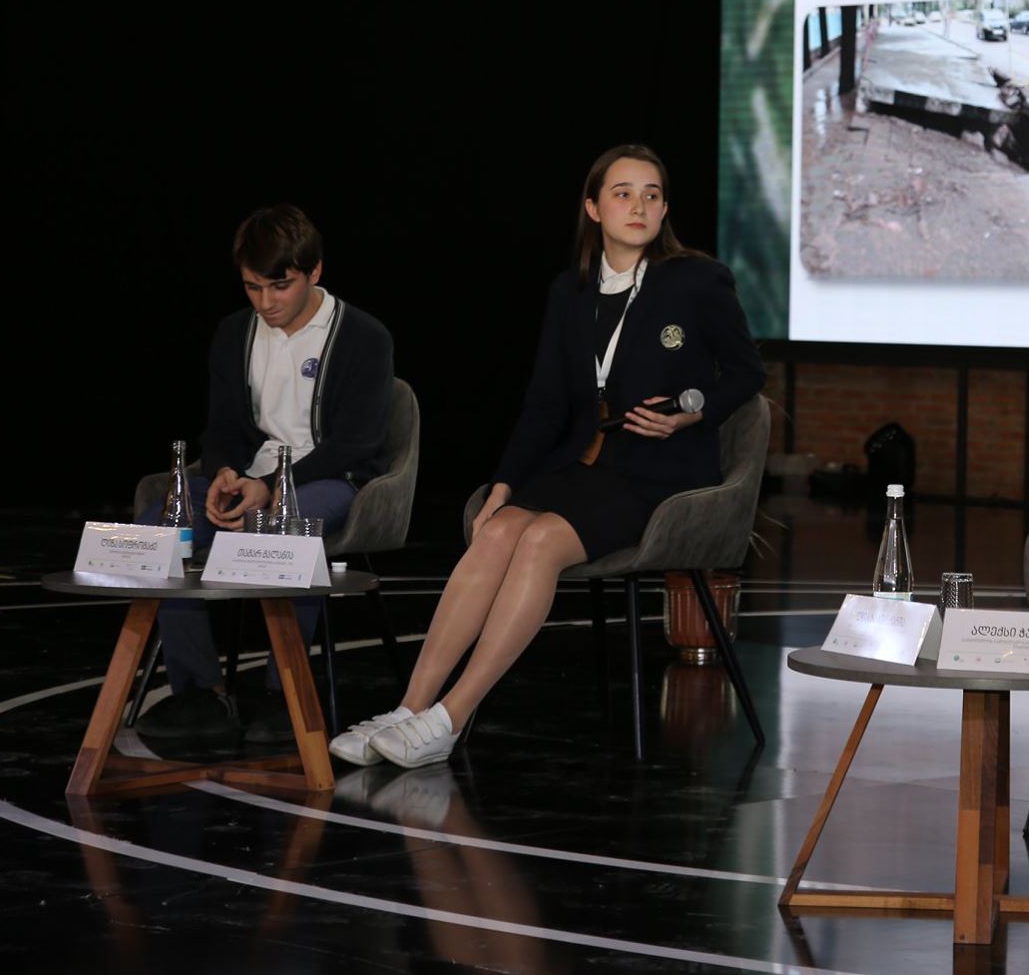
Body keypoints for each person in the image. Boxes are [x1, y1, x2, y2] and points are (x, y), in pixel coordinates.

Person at [334, 144, 765, 768]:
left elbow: (747, 372)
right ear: (593, 208)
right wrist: (506, 483)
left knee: (538, 543)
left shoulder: (698, 279)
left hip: (662, 475)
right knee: (497, 530)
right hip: (584, 467)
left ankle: (451, 718)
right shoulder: (571, 291)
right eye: (622, 193)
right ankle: (410, 707)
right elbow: (544, 403)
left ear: (665, 208)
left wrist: (692, 413)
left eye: (651, 195)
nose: (638, 206)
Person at [137, 205, 395, 745]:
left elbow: (356, 444)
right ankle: (200, 693)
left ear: (314, 271)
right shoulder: (235, 332)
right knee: (161, 526)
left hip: (330, 480)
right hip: (255, 479)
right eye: (253, 288)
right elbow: (223, 427)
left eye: (280, 286)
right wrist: (226, 475)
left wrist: (273, 488)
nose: (266, 302)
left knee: (284, 527)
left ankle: (286, 693)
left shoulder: (363, 335)